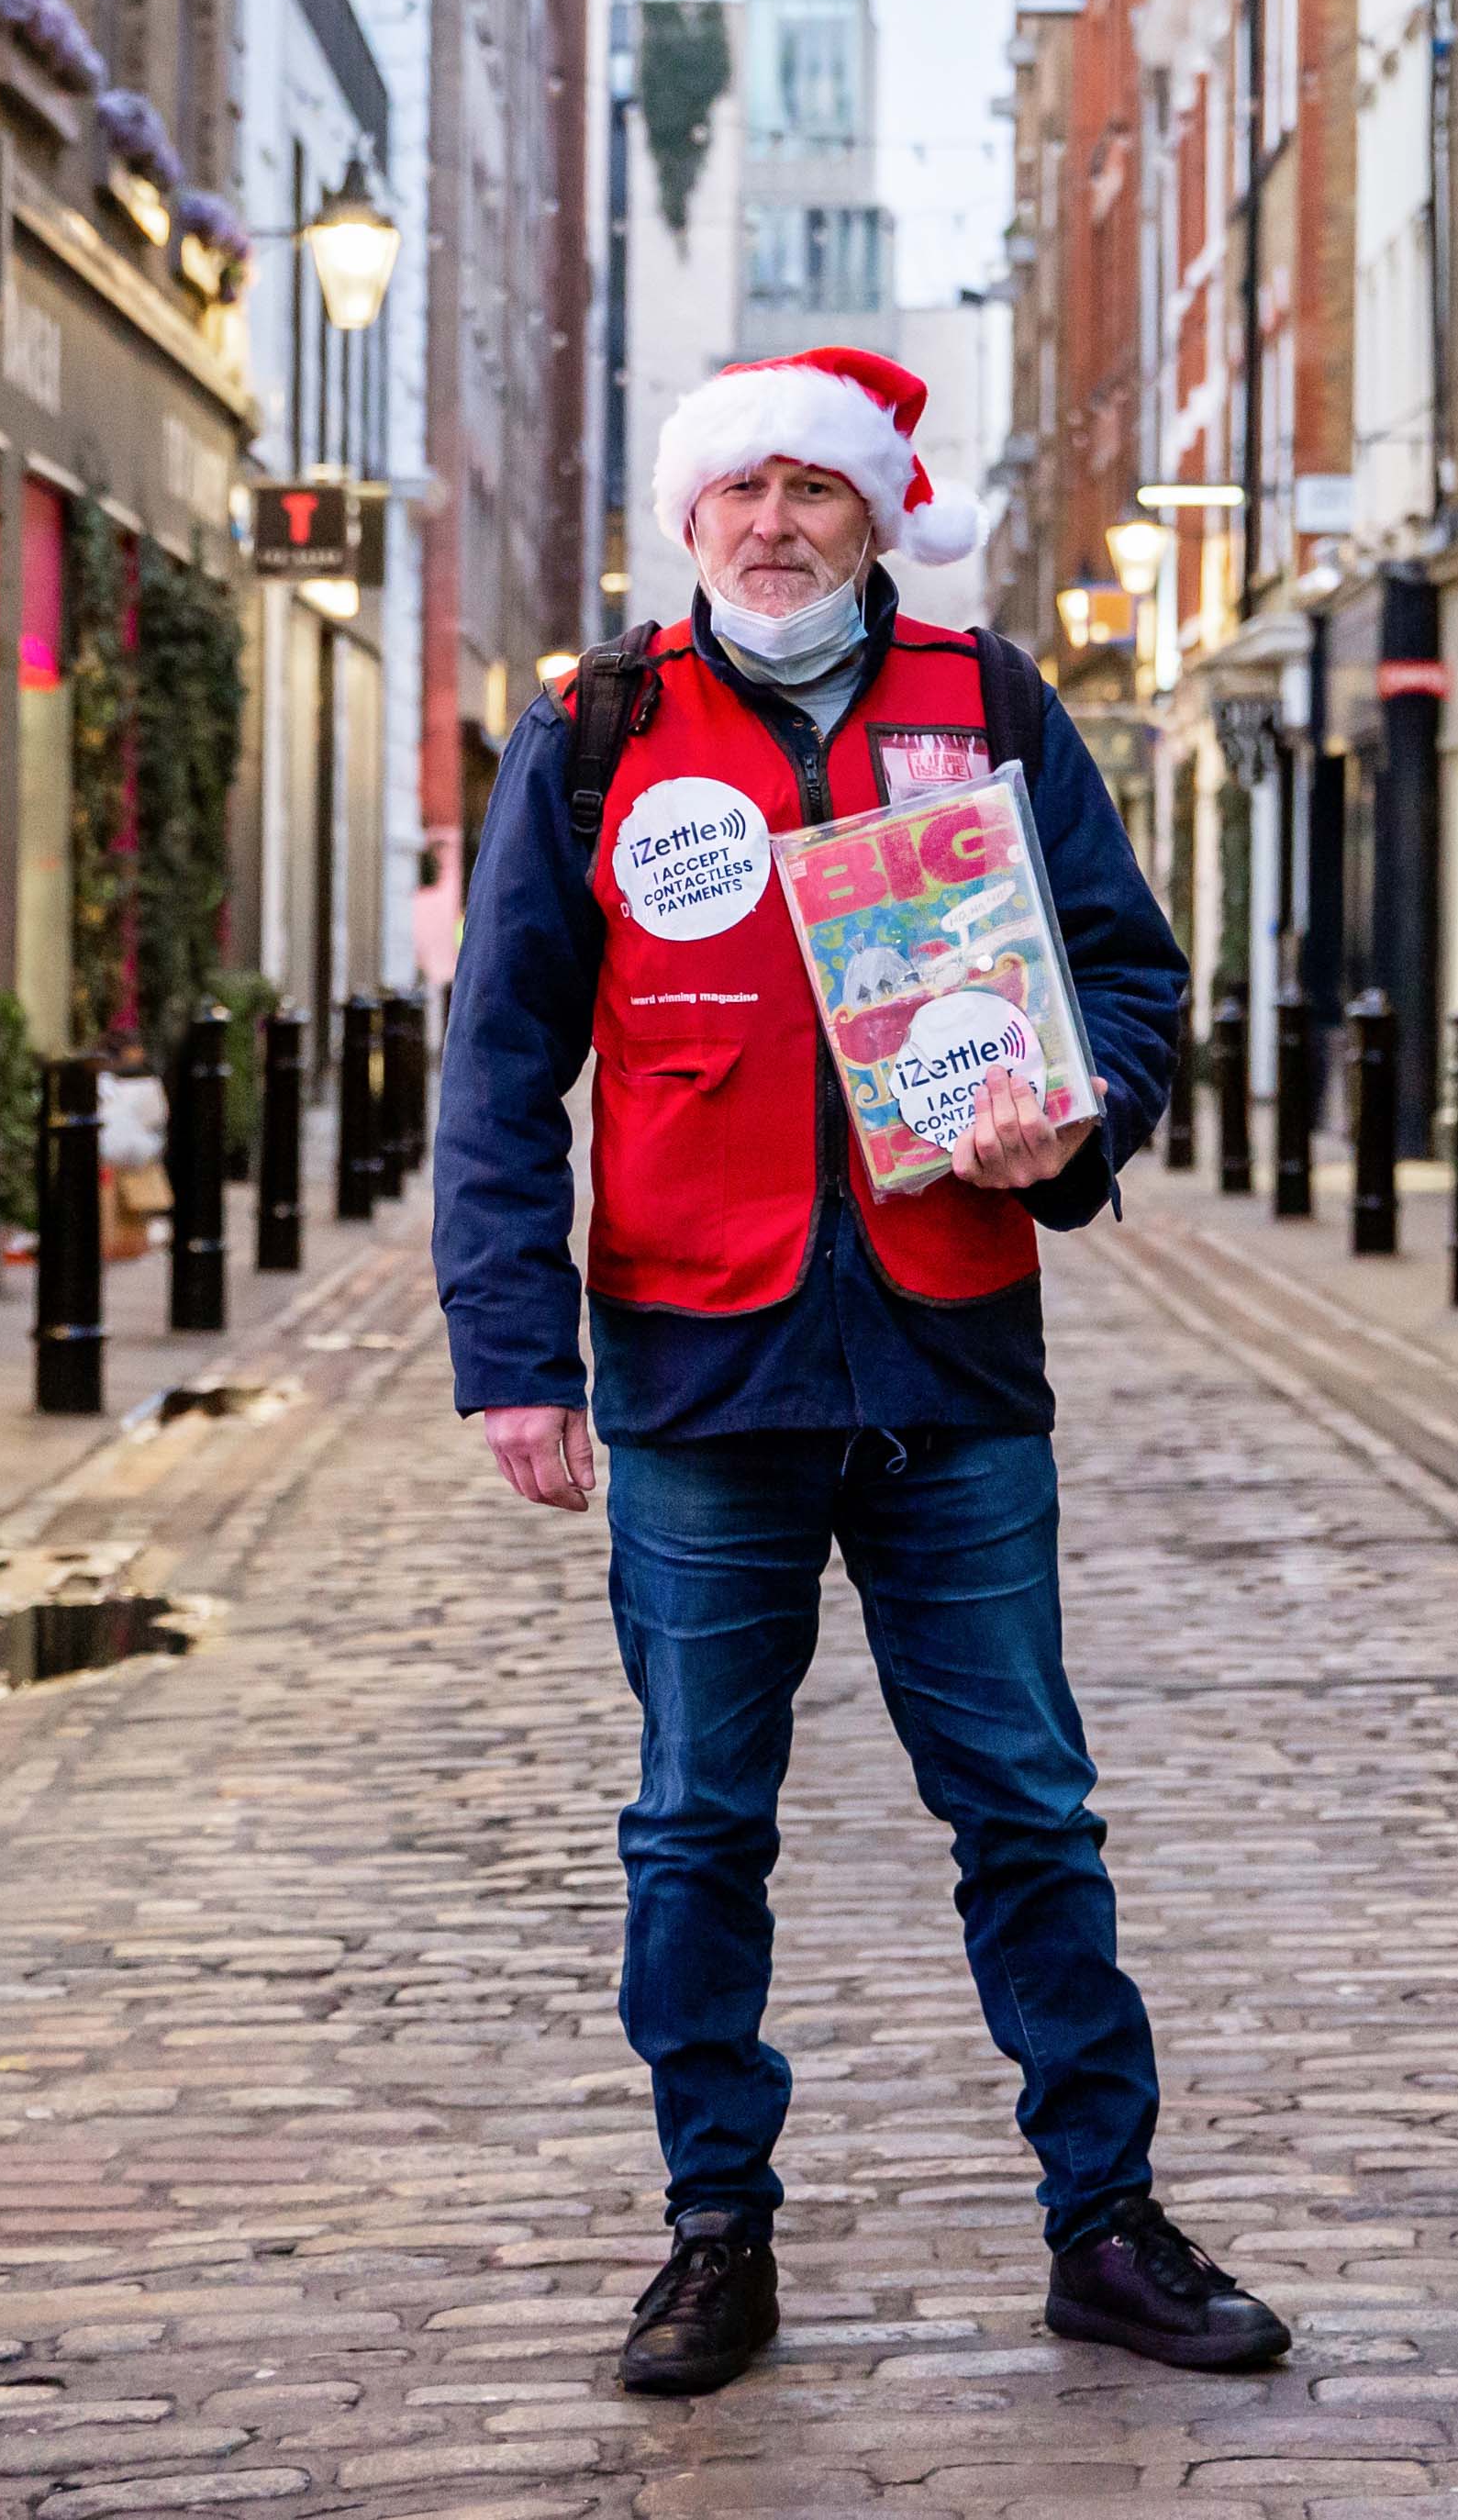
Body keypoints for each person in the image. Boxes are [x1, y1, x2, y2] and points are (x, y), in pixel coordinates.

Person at [431, 344, 1292, 2400]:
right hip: (697, 1372)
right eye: (737, 491)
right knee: (693, 1825)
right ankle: (712, 2231)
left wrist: (1070, 1119)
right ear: (687, 519)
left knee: (1028, 1810)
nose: (772, 522)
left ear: (873, 511)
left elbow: (1130, 972)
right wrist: (510, 1356)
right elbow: (498, 1064)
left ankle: (1104, 2222)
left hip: (944, 1357)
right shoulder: (595, 731)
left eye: (812, 488)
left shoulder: (984, 704)